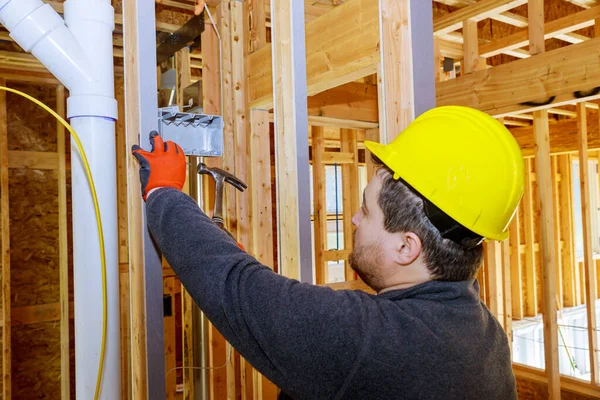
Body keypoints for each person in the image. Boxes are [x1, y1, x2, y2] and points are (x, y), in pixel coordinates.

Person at [132, 105, 523, 399]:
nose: (353, 218)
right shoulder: (485, 336)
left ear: (407, 247)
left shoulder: (372, 342)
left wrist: (163, 193)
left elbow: (237, 288)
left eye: (367, 210)